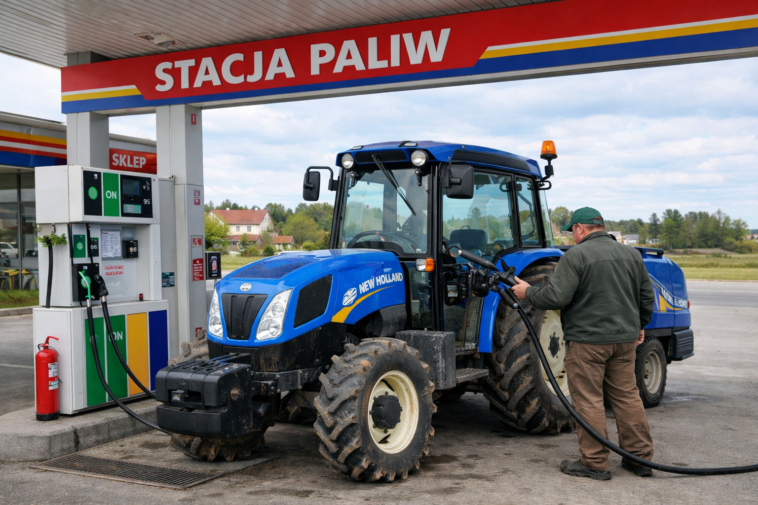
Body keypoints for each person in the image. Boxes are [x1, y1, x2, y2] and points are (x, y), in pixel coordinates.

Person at [510, 207, 656, 481]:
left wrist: (527, 292)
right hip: (624, 341)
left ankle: (595, 463)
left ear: (580, 228)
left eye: (572, 231)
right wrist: (639, 324)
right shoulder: (631, 255)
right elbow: (647, 298)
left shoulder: (576, 256)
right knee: (627, 396)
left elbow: (556, 297)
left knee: (588, 400)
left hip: (588, 342)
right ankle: (639, 459)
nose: (572, 237)